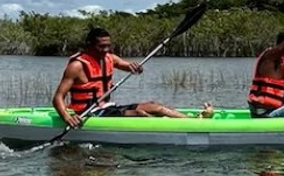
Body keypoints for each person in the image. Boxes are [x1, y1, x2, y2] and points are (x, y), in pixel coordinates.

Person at [52, 26, 214, 128]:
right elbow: (58, 98)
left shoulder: (110, 57)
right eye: (101, 46)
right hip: (88, 113)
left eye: (108, 46)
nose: (105, 49)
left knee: (155, 106)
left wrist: (135, 67)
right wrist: (67, 117)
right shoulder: (77, 66)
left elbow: (128, 66)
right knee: (140, 115)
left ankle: (195, 121)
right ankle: (170, 128)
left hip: (108, 108)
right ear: (89, 44)